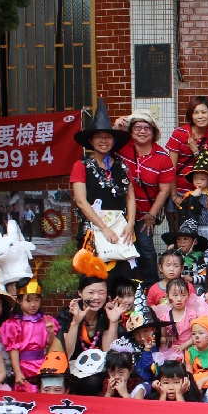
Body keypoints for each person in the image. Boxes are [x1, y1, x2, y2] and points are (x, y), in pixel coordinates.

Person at [69, 97, 137, 279]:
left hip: (120, 228)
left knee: (123, 280)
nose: (103, 140)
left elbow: (130, 196)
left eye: (108, 136)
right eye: (99, 136)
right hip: (92, 230)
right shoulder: (81, 165)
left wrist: (130, 225)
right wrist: (104, 228)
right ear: (91, 140)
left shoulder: (122, 166)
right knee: (94, 281)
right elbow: (81, 202)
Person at [113, 109, 174, 284]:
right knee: (120, 252)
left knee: (146, 251)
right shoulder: (121, 147)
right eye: (137, 127)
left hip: (144, 215)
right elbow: (103, 148)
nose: (142, 131)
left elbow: (164, 190)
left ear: (153, 132)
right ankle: (123, 291)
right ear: (130, 130)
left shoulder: (163, 157)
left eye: (147, 127)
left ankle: (151, 291)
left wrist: (151, 216)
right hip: (118, 214)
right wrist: (116, 129)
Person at [58, 276, 125, 396]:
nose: (96, 297)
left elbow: (107, 352)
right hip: (72, 368)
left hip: (98, 369)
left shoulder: (106, 314)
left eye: (101, 292)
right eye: (91, 292)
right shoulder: (67, 315)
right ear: (80, 293)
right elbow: (66, 353)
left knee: (96, 381)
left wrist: (113, 322)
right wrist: (75, 323)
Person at [166, 96, 208, 230]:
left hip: (202, 193)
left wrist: (196, 151)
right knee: (179, 233)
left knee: (199, 232)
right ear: (191, 115)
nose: (200, 116)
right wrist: (173, 196)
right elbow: (171, 167)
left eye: (204, 112)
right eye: (196, 112)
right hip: (179, 192)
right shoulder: (179, 134)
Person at [0, 276, 59, 393]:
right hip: (23, 366)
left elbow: (51, 344)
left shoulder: (46, 320)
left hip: (43, 364)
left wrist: (51, 332)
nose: (33, 304)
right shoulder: (13, 324)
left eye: (37, 300)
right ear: (19, 300)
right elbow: (14, 350)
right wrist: (17, 373)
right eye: (28, 300)